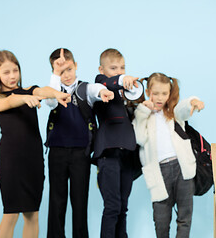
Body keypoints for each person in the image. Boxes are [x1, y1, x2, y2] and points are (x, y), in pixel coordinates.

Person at [0, 50, 71, 238]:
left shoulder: (30, 90)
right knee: (11, 215)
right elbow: (9, 102)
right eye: (6, 72)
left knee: (32, 215)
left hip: (33, 161)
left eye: (15, 70)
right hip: (11, 163)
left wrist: (56, 93)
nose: (13, 76)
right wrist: (23, 98)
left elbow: (43, 91)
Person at [45, 48, 114, 238]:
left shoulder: (84, 89)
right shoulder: (54, 90)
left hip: (80, 154)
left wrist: (104, 91)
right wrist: (55, 75)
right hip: (57, 152)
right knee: (57, 201)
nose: (65, 75)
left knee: (79, 201)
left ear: (75, 66)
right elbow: (50, 101)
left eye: (68, 69)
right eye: (60, 71)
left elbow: (95, 89)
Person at [132, 72, 205, 238]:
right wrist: (143, 110)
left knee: (185, 217)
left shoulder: (173, 113)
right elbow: (140, 138)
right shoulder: (142, 115)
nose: (160, 98)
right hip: (160, 172)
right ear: (148, 91)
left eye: (164, 93)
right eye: (155, 93)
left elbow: (184, 108)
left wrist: (193, 102)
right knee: (161, 220)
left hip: (182, 168)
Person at [93, 48, 139, 238]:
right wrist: (120, 80)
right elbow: (106, 83)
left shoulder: (126, 95)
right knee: (112, 207)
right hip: (108, 154)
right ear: (102, 69)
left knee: (122, 207)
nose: (120, 71)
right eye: (114, 68)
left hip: (127, 155)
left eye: (122, 68)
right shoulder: (100, 86)